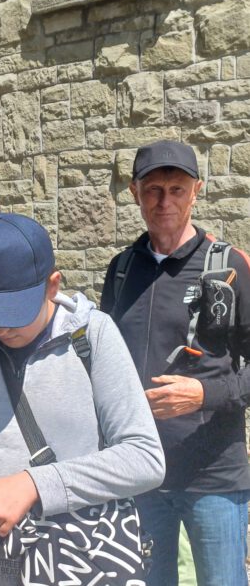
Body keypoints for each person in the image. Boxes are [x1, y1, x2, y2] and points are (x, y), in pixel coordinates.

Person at [0, 212, 165, 586]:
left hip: (74, 564)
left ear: (52, 285)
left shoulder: (92, 336)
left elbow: (144, 457)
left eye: (13, 312)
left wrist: (34, 484)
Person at [100, 140, 250, 586]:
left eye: (177, 190)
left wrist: (206, 393)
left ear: (196, 192)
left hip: (213, 477)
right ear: (134, 193)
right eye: (153, 190)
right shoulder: (121, 270)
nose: (164, 201)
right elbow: (102, 363)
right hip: (139, 473)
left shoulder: (229, 267)